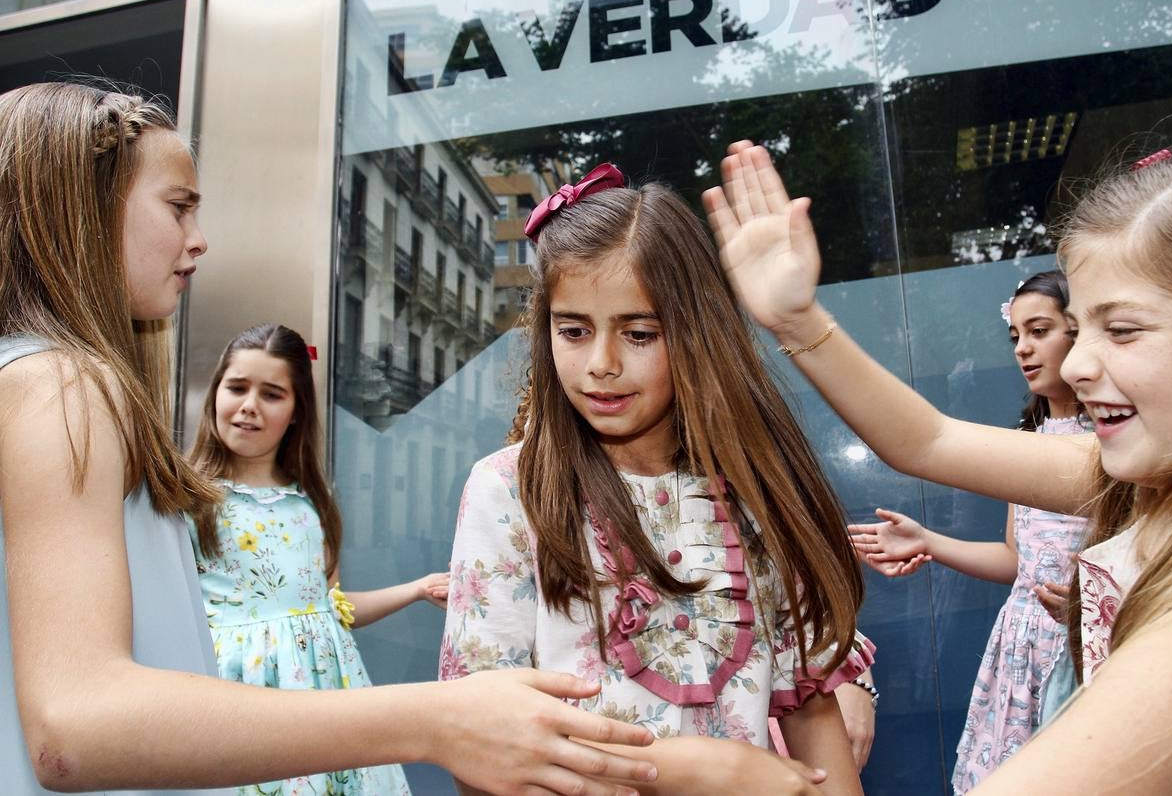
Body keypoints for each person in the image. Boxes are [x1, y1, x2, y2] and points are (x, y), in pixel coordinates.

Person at [0, 80, 664, 796]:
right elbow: (76, 723)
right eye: (178, 206)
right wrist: (436, 719)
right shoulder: (59, 385)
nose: (199, 239)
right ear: (88, 207)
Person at [704, 140, 1172, 793]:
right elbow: (927, 441)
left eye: (1122, 330)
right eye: (1080, 328)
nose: (1075, 366)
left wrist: (756, 779)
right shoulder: (1166, 485)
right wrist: (795, 319)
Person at [439, 164, 872, 795]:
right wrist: (705, 772)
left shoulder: (752, 489)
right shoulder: (510, 491)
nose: (601, 364)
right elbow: (481, 751)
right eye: (573, 331)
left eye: (639, 333)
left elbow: (811, 709)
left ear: (695, 333)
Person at [187, 323, 453, 794]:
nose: (249, 406)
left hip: (329, 704)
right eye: (237, 387)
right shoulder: (185, 500)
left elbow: (331, 612)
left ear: (295, 412)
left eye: (271, 394)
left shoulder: (311, 504)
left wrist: (414, 589)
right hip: (236, 706)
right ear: (215, 395)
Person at [848, 271, 1088, 791]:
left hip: (1086, 651)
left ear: (1081, 331)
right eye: (1015, 336)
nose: (1023, 349)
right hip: (1020, 649)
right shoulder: (1028, 438)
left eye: (1039, 331)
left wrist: (1098, 606)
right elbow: (1015, 562)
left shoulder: (1114, 440)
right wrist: (927, 541)